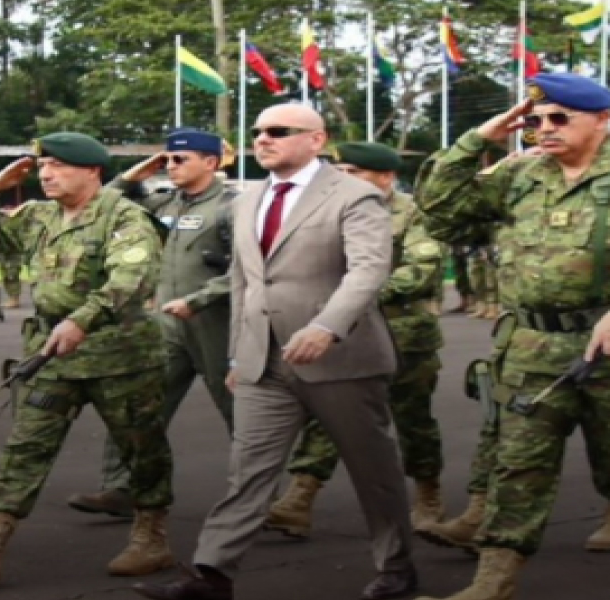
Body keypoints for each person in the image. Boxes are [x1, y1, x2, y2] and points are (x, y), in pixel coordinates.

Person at [412, 72, 610, 600]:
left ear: (601, 119)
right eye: (534, 120)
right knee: (517, 465)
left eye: (558, 118)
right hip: (532, 345)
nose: (543, 128)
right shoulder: (522, 174)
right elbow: (441, 213)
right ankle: (493, 581)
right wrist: (476, 142)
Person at [134, 104, 417, 600]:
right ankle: (212, 573)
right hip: (263, 363)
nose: (263, 140)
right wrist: (238, 357)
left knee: (373, 471)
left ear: (316, 139)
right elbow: (246, 282)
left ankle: (395, 566)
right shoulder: (248, 200)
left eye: (278, 132)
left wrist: (328, 326)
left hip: (340, 361)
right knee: (248, 470)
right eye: (259, 132)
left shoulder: (355, 196)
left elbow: (368, 270)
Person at [0, 132, 171, 585]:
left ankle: (152, 535)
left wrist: (82, 319)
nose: (46, 175)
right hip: (53, 356)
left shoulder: (125, 217)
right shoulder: (38, 215)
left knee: (141, 449)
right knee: (26, 446)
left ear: (92, 170)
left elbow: (132, 278)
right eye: (42, 167)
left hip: (119, 356)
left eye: (57, 166)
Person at [264, 141, 448, 537]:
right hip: (341, 331)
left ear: (386, 177)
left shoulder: (414, 215)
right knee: (328, 413)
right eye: (339, 172)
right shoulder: (326, 209)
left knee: (413, 419)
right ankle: (300, 496)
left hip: (403, 334)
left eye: (354, 173)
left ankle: (428, 493)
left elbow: (423, 270)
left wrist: (355, 294)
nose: (342, 180)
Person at [65, 129, 240, 519]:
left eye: (181, 160)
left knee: (241, 414)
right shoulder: (163, 203)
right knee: (138, 407)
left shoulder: (232, 207)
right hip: (166, 325)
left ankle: (254, 496)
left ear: (211, 163)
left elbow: (249, 270)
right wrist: (135, 175)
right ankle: (123, 488)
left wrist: (198, 300)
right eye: (168, 160)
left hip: (217, 324)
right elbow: (105, 199)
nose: (171, 167)